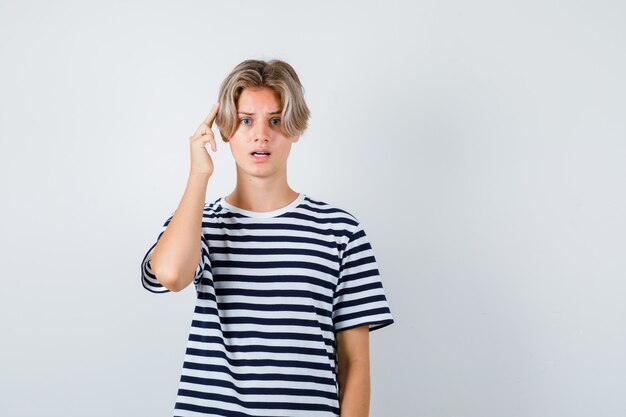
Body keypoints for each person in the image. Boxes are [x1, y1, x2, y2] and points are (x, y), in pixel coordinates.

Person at [140, 58, 395, 417]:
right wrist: (199, 173)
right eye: (246, 121)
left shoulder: (340, 230)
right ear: (224, 129)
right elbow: (170, 275)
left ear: (295, 129)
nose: (261, 135)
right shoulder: (200, 222)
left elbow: (355, 362)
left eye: (275, 121)